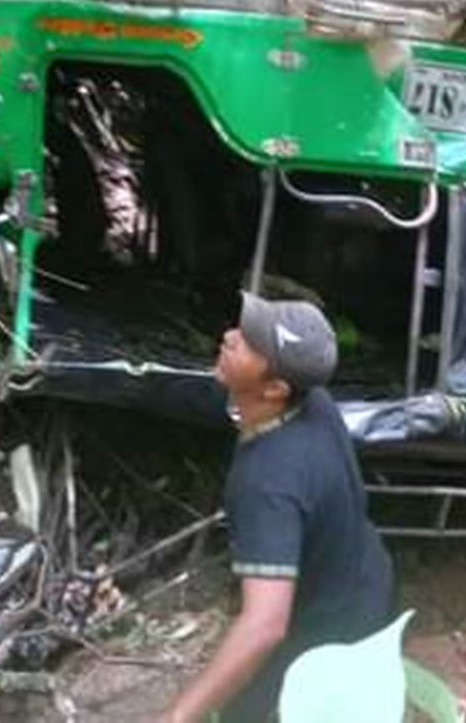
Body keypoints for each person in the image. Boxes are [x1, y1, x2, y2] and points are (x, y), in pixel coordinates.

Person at [166, 293, 396, 723]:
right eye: (243, 329)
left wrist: (176, 718)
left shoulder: (267, 482)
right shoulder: (312, 401)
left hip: (327, 640)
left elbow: (265, 625)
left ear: (274, 389)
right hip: (366, 579)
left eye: (249, 344)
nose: (230, 336)